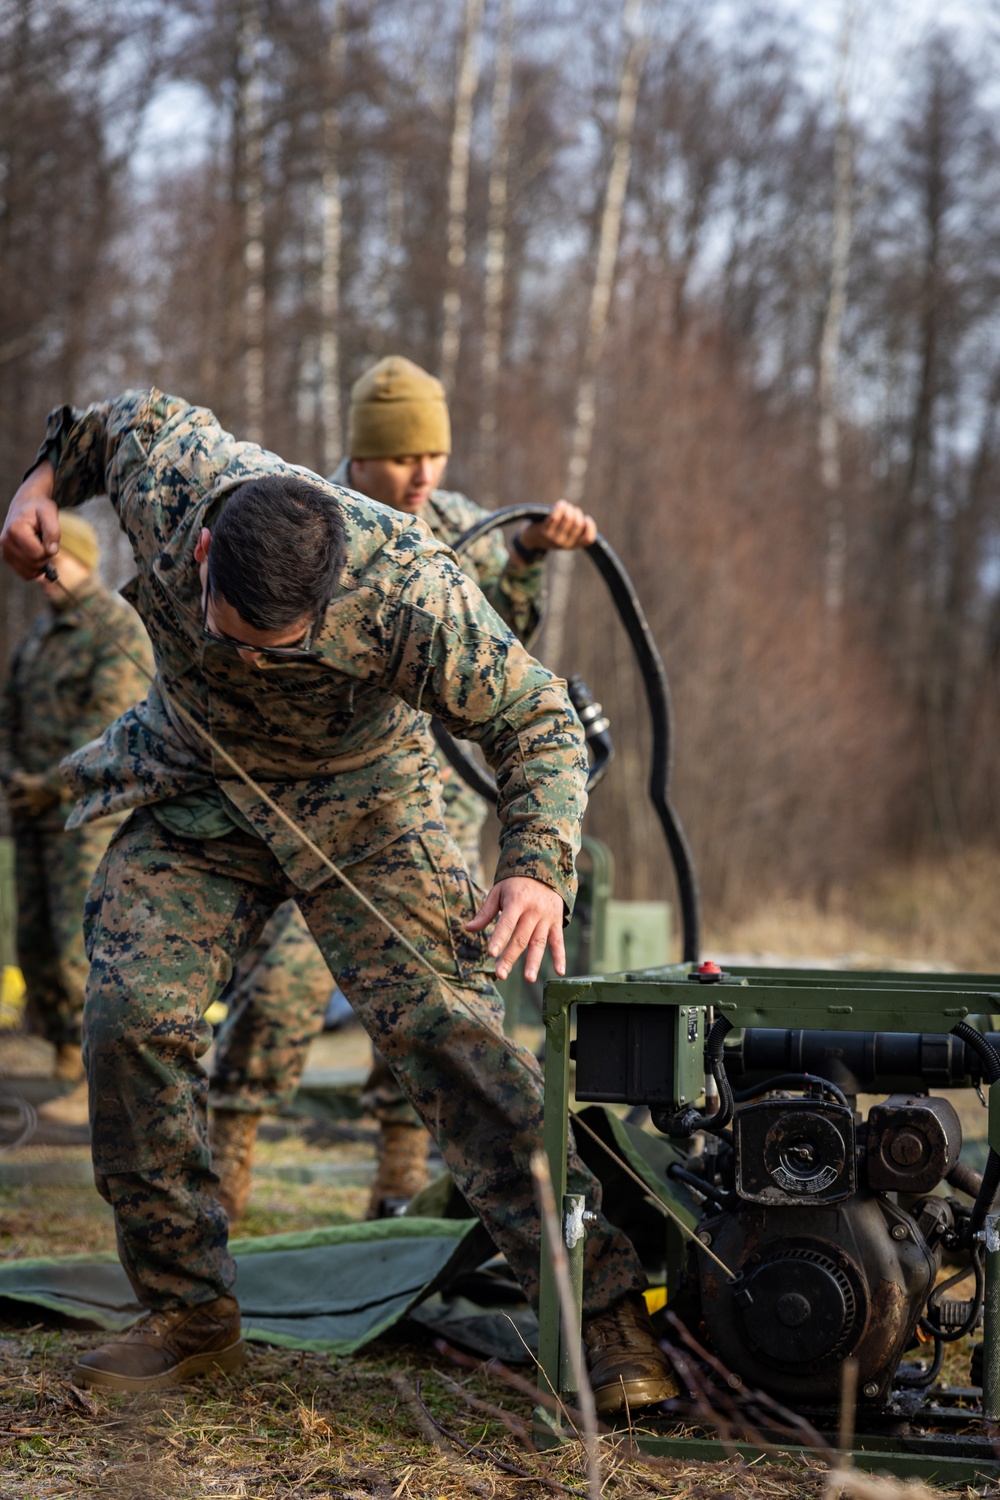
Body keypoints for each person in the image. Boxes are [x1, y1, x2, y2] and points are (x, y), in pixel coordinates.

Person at [1, 388, 675, 1414]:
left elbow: (539, 720)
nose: (255, 661)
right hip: (199, 783)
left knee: (452, 1036)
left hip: (365, 800)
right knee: (129, 1021)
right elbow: (97, 425)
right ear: (201, 555)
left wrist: (536, 866)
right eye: (236, 638)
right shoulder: (169, 468)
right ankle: (189, 1315)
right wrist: (35, 491)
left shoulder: (410, 587)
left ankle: (601, 1314)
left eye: (283, 646)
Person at [209, 356, 597, 1221]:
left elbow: (507, 653)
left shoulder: (466, 525)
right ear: (359, 455)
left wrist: (529, 554)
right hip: (316, 803)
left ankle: (397, 1190)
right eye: (399, 456)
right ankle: (223, 1181)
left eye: (434, 453)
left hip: (433, 806)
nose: (420, 473)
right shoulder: (298, 518)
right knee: (281, 987)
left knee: (430, 1001)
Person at [0, 513, 152, 1117]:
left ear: (84, 561)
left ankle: (97, 1078)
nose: (44, 577)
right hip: (32, 812)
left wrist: (51, 784)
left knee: (79, 938)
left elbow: (113, 723)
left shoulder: (112, 625)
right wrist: (14, 775)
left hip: (84, 817)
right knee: (36, 941)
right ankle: (65, 1056)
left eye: (54, 562)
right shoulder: (40, 636)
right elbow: (10, 712)